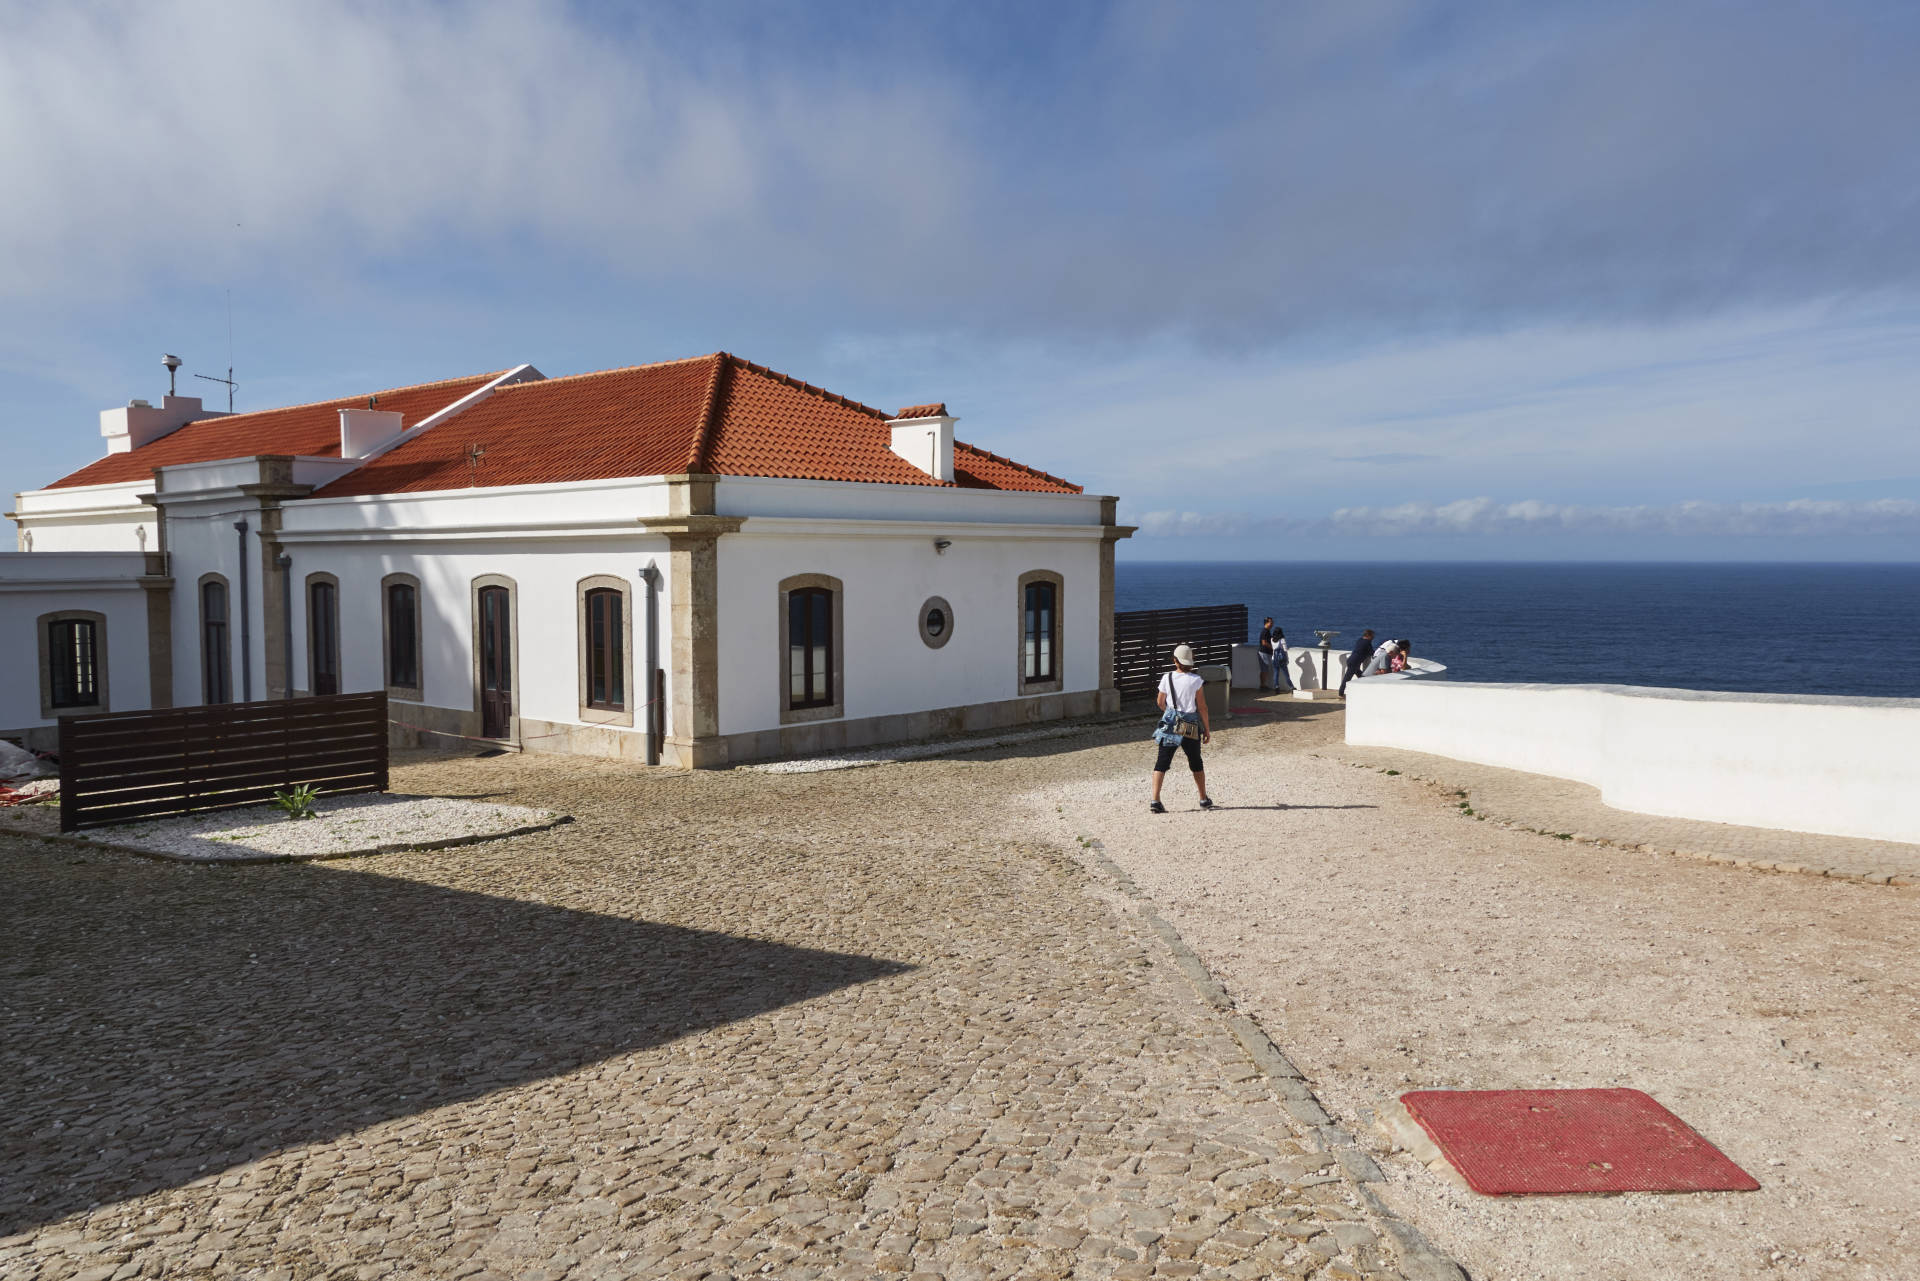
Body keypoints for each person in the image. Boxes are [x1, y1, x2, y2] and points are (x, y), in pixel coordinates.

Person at [1150, 643, 1212, 813]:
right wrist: (1206, 729)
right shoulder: (1196, 680)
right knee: (1195, 761)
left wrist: (1170, 713)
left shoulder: (1166, 677)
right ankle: (1203, 798)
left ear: (1175, 661)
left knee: (1162, 761)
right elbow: (1202, 707)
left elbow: (1160, 702)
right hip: (1190, 724)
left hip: (1170, 722)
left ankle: (1155, 800)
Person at [1340, 629, 1376, 694]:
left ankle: (1364, 689)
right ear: (1369, 636)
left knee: (1361, 676)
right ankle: (1341, 692)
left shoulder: (1360, 640)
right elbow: (1371, 652)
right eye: (1372, 636)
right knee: (1347, 678)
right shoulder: (1367, 642)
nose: (1373, 638)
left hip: (1351, 660)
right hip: (1355, 662)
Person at [1257, 617, 1278, 689]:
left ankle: (1263, 685)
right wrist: (1272, 648)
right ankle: (1262, 685)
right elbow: (1264, 643)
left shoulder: (1267, 631)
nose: (1272, 624)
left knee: (1264, 669)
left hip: (1264, 652)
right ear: (1266, 623)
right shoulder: (1265, 631)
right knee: (1264, 670)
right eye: (1271, 622)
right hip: (1263, 653)